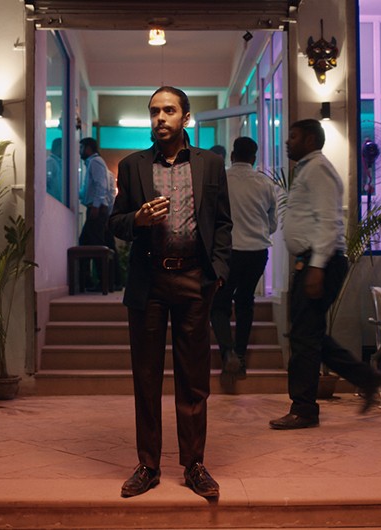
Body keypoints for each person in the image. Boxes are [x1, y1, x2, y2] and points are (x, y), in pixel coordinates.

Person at [108, 86, 231, 499]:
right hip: (149, 283)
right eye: (154, 111)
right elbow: (116, 222)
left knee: (193, 379)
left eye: (169, 111)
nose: (160, 118)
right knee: (146, 377)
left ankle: (194, 464)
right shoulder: (132, 166)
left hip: (196, 280)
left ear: (186, 117)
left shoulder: (211, 165)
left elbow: (224, 223)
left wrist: (219, 271)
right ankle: (148, 465)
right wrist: (137, 220)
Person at [269, 119, 381, 431]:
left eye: (292, 136)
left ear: (309, 138)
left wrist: (317, 266)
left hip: (319, 262)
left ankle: (304, 409)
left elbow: (328, 221)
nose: (287, 142)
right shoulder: (307, 169)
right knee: (308, 335)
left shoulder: (318, 168)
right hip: (309, 261)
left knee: (304, 338)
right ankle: (366, 377)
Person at [210, 136, 278, 389]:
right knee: (246, 302)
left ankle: (227, 351)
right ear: (254, 157)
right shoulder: (265, 183)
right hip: (257, 251)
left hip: (228, 251)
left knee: (219, 303)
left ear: (232, 156)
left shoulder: (221, 180)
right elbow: (273, 223)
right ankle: (240, 354)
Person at [78, 137, 116, 290]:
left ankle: (103, 283)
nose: (80, 151)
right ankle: (90, 282)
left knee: (96, 245)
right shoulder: (93, 163)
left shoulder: (95, 162)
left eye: (81, 148)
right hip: (97, 209)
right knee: (87, 243)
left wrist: (96, 205)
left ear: (88, 148)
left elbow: (101, 185)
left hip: (97, 210)